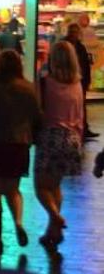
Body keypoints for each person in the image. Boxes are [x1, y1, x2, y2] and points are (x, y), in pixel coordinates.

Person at [0, 50, 42, 253]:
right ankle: (19, 222)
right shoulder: (28, 88)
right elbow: (37, 117)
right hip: (19, 144)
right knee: (13, 189)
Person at [35, 41, 85, 250]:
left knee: (41, 187)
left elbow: (38, 110)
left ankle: (56, 217)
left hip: (50, 137)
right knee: (55, 186)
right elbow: (81, 114)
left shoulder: (45, 82)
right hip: (72, 138)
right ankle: (52, 233)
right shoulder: (78, 84)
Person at [63, 24, 97, 139]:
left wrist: (87, 81)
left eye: (76, 32)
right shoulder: (66, 46)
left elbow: (86, 65)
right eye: (73, 32)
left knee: (81, 106)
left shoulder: (79, 47)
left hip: (79, 81)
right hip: (70, 81)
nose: (74, 34)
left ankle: (83, 128)